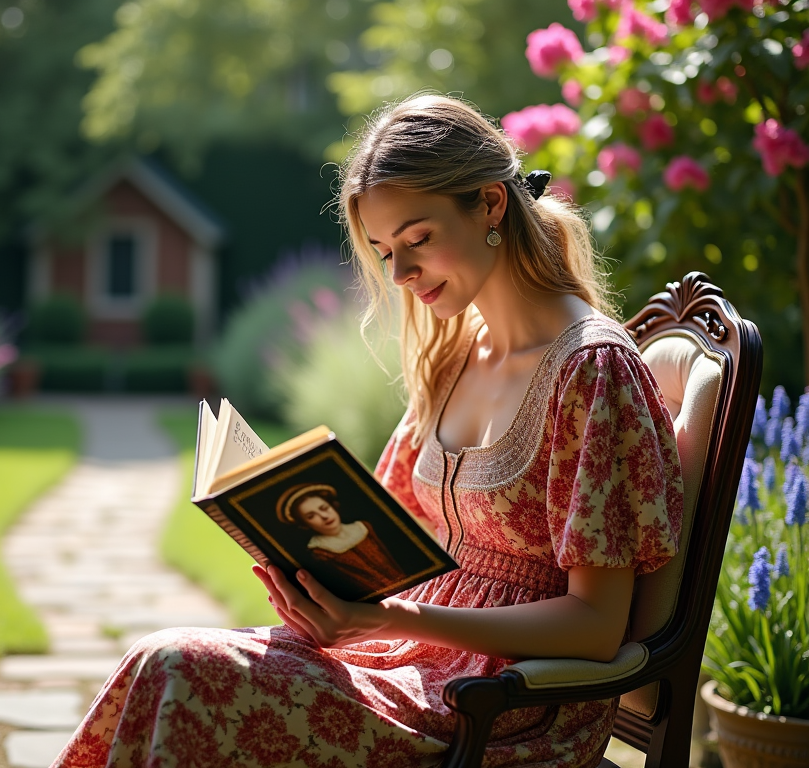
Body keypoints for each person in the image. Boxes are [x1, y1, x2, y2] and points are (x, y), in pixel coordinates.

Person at [51, 94, 683, 768]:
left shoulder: (591, 371)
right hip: (404, 656)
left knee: (180, 669)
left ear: (492, 205)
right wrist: (316, 579)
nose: (402, 275)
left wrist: (390, 619)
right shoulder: (457, 351)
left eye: (418, 239)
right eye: (385, 251)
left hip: (505, 704)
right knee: (163, 662)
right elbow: (390, 540)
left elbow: (596, 626)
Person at [276, 482, 406, 591]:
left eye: (324, 508)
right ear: (305, 524)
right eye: (311, 516)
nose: (324, 516)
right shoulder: (319, 552)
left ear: (333, 507)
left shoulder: (362, 527)